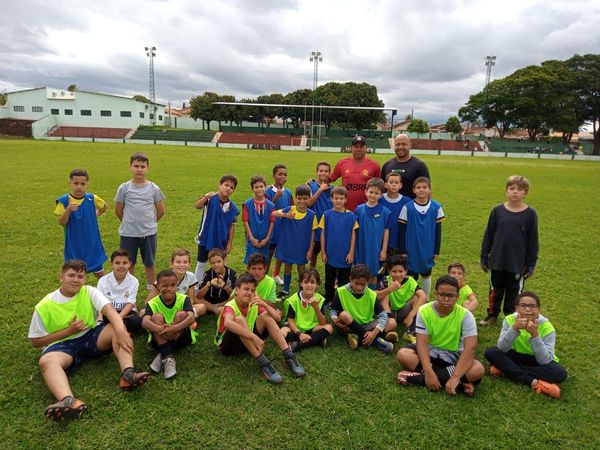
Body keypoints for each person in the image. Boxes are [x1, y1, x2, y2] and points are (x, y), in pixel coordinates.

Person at [28, 260, 149, 421]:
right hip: (61, 346)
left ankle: (128, 374)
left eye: (80, 276)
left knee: (117, 329)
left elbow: (110, 312)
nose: (75, 280)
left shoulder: (89, 291)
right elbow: (36, 342)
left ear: (85, 279)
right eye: (71, 275)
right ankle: (68, 401)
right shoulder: (44, 305)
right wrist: (68, 331)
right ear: (61, 277)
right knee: (46, 362)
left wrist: (121, 331)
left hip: (91, 336)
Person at [396, 275, 484, 396]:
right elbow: (422, 342)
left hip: (454, 358)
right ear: (436, 294)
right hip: (430, 353)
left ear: (457, 296)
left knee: (478, 368)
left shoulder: (466, 315)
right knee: (403, 354)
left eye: (451, 296)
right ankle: (458, 383)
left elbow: (470, 348)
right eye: (442, 295)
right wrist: (428, 371)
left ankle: (417, 379)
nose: (446, 299)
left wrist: (456, 377)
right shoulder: (424, 310)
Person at [214, 273, 305, 384]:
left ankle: (289, 355)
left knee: (266, 316)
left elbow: (276, 318)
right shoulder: (231, 305)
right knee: (239, 320)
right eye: (246, 289)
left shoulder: (253, 303)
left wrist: (264, 304)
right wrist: (253, 337)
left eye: (252, 290)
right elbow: (228, 323)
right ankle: (264, 363)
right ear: (237, 290)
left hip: (246, 342)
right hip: (227, 346)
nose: (249, 293)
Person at [484, 291, 567, 399]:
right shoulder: (509, 320)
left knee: (560, 373)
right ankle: (533, 382)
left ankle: (505, 370)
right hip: (514, 355)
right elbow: (502, 348)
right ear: (517, 308)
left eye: (532, 306)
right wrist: (514, 328)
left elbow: (545, 360)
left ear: (538, 309)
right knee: (491, 352)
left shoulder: (547, 327)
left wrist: (535, 334)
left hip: (536, 361)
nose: (527, 309)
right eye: (523, 306)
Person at [480, 175, 539, 325]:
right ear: (506, 191)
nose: (515, 192)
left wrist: (531, 264)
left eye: (519, 189)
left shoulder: (530, 214)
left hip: (517, 263)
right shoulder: (497, 211)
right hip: (497, 260)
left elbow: (533, 240)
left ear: (525, 193)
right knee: (495, 289)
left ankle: (510, 317)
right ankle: (492, 315)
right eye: (511, 188)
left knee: (514, 292)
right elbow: (489, 234)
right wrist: (484, 256)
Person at [114, 152, 166, 289]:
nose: (139, 169)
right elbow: (118, 210)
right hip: (128, 234)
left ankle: (151, 288)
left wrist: (150, 224)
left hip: (148, 233)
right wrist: (128, 222)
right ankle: (128, 288)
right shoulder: (124, 188)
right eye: (136, 166)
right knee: (128, 263)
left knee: (149, 262)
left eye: (142, 166)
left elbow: (161, 210)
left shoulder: (153, 188)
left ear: (147, 168)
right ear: (130, 167)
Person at [142, 270, 197, 380]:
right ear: (158, 286)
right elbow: (144, 322)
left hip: (181, 337)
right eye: (165, 285)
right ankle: (167, 355)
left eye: (172, 285)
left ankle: (163, 352)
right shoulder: (152, 302)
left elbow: (191, 317)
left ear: (177, 285)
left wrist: (174, 328)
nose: (169, 289)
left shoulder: (184, 298)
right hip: (159, 338)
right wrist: (162, 329)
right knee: (156, 317)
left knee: (182, 314)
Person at [329, 264, 394, 353]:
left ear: (368, 282)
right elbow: (333, 310)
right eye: (356, 283)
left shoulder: (371, 294)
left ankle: (358, 338)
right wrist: (334, 318)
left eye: (363, 284)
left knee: (392, 323)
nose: (359, 287)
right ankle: (376, 340)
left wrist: (374, 332)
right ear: (350, 279)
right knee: (343, 315)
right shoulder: (342, 291)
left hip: (367, 324)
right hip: (348, 325)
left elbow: (383, 315)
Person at [55, 169, 107, 278]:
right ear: (70, 183)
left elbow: (104, 207)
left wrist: (94, 215)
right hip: (74, 244)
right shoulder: (64, 201)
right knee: (74, 273)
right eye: (76, 183)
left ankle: (107, 292)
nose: (79, 187)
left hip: (91, 242)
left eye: (82, 184)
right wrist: (68, 210)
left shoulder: (92, 198)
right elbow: (61, 222)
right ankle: (73, 293)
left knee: (99, 272)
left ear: (87, 184)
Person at [399, 176, 444, 298]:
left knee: (426, 273)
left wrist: (437, 250)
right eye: (418, 187)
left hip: (427, 247)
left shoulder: (436, 207)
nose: (421, 190)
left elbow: (438, 231)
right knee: (411, 275)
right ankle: (410, 299)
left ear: (429, 190)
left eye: (424, 187)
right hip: (411, 247)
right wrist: (403, 250)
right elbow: (402, 231)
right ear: (413, 190)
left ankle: (425, 299)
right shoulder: (407, 207)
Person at [272, 184, 319, 298]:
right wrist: (285, 215)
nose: (302, 201)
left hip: (302, 247)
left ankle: (301, 291)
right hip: (288, 245)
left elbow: (313, 233)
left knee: (301, 269)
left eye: (305, 198)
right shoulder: (290, 209)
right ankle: (286, 290)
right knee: (287, 266)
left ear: (309, 198)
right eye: (299, 198)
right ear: (295, 198)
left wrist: (311, 249)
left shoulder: (312, 215)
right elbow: (273, 213)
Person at [194, 174, 239, 284]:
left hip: (221, 241)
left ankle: (220, 286)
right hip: (205, 238)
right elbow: (197, 205)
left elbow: (232, 226)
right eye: (226, 185)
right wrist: (206, 197)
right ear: (219, 185)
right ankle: (195, 287)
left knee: (219, 265)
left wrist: (229, 243)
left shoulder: (233, 208)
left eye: (231, 187)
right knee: (201, 263)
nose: (228, 188)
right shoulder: (210, 199)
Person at [319, 186, 358, 305]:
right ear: (331, 199)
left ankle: (341, 299)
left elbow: (353, 235)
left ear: (346, 199)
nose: (339, 201)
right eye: (336, 198)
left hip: (345, 253)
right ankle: (329, 297)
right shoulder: (326, 215)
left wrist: (351, 252)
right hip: (331, 253)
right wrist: (323, 252)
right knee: (329, 278)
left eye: (341, 198)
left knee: (344, 279)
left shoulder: (351, 216)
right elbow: (323, 234)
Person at [376, 255, 427, 344]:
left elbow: (423, 297)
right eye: (394, 271)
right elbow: (374, 297)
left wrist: (410, 316)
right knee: (384, 294)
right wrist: (390, 289)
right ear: (389, 271)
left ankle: (410, 330)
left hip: (403, 312)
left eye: (401, 271)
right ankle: (390, 323)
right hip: (388, 311)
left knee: (418, 298)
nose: (398, 274)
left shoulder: (410, 281)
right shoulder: (384, 280)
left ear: (406, 271)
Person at [280, 269, 333, 351]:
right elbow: (290, 321)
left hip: (312, 328)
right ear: (301, 283)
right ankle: (317, 339)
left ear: (317, 284)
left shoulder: (319, 299)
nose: (309, 285)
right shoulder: (293, 300)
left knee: (329, 328)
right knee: (282, 332)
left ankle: (297, 345)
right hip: (296, 328)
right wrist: (299, 333)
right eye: (306, 282)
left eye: (312, 282)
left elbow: (322, 322)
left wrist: (316, 307)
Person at [146, 248, 206, 319]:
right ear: (172, 264)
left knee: (202, 307)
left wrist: (184, 309)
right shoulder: (164, 277)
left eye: (185, 262)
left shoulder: (191, 277)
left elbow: (191, 301)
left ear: (189, 264)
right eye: (178, 262)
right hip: (163, 308)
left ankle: (178, 319)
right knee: (144, 312)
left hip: (179, 307)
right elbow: (148, 302)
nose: (181, 265)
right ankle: (178, 321)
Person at [354, 178, 391, 287]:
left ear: (381, 195)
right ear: (366, 192)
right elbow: (354, 230)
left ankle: (372, 296)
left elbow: (386, 231)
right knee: (359, 273)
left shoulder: (385, 212)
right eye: (371, 192)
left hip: (375, 249)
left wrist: (384, 250)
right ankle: (360, 294)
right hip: (360, 248)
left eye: (376, 193)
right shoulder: (359, 209)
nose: (373, 195)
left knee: (373, 273)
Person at [329, 135, 381, 211]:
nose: (358, 149)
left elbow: (379, 187)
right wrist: (313, 183)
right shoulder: (342, 163)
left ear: (366, 148)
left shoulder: (374, 165)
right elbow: (330, 179)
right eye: (356, 146)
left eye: (361, 146)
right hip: (345, 210)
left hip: (366, 210)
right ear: (351, 148)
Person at [97, 248, 142, 333]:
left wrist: (118, 318)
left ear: (130, 264)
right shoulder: (103, 280)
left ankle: (111, 329)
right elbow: (99, 302)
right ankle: (119, 330)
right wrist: (101, 319)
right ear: (112, 264)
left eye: (124, 263)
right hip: (108, 312)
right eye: (117, 263)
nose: (121, 266)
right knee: (98, 321)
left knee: (137, 321)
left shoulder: (134, 281)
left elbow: (130, 303)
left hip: (125, 313)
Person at [265, 163, 294, 284]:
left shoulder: (288, 192)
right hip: (273, 227)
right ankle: (264, 277)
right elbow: (265, 210)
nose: (283, 176)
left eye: (285, 174)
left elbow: (292, 207)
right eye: (280, 174)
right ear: (273, 175)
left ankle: (275, 274)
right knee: (270, 252)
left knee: (280, 253)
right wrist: (276, 198)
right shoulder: (268, 191)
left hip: (284, 228)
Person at [381, 134, 430, 199]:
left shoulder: (420, 166)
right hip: (389, 208)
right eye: (398, 144)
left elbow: (426, 190)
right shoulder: (387, 165)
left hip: (411, 207)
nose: (400, 147)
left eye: (404, 144)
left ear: (410, 145)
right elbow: (382, 189)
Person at [242, 175, 275, 265]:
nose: (259, 189)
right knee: (251, 264)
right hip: (253, 241)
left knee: (263, 264)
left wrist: (267, 238)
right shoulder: (247, 204)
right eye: (256, 187)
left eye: (261, 186)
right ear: (252, 189)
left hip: (265, 241)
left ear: (265, 187)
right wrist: (251, 238)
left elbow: (272, 222)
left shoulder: (271, 205)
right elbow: (246, 222)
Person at [307, 161, 333, 269]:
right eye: (321, 171)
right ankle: (312, 270)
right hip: (315, 223)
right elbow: (308, 203)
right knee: (314, 251)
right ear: (316, 172)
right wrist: (320, 190)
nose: (323, 173)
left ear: (329, 173)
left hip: (328, 224)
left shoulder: (332, 189)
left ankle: (332, 273)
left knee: (329, 250)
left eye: (326, 171)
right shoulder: (310, 186)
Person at [196, 248, 237, 315]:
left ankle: (216, 309)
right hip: (209, 301)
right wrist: (208, 285)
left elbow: (235, 294)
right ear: (210, 263)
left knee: (237, 298)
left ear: (224, 260)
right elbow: (198, 296)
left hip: (225, 301)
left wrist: (225, 287)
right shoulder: (207, 274)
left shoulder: (232, 274)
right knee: (194, 297)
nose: (216, 265)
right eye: (213, 263)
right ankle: (215, 309)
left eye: (218, 262)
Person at [378, 172, 410, 257]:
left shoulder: (407, 202)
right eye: (391, 182)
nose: (393, 185)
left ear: (401, 185)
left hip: (399, 243)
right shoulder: (379, 200)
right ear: (385, 185)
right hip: (381, 243)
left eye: (396, 183)